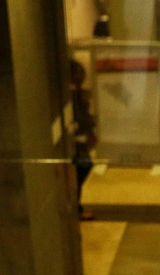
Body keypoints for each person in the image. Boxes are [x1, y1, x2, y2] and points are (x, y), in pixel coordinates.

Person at [70, 59, 98, 221]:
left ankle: (76, 206)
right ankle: (76, 208)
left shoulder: (77, 94)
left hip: (80, 139)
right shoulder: (72, 96)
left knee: (82, 168)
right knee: (82, 167)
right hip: (77, 141)